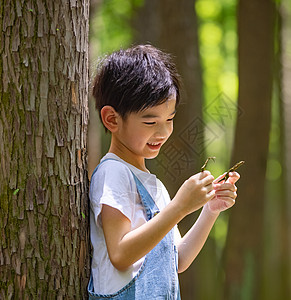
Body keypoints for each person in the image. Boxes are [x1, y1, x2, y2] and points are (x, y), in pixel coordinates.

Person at [88, 44, 240, 299]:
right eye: (150, 122)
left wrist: (210, 209)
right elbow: (121, 254)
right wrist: (179, 207)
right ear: (112, 119)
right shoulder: (113, 172)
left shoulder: (154, 185)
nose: (163, 132)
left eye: (169, 119)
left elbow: (177, 259)